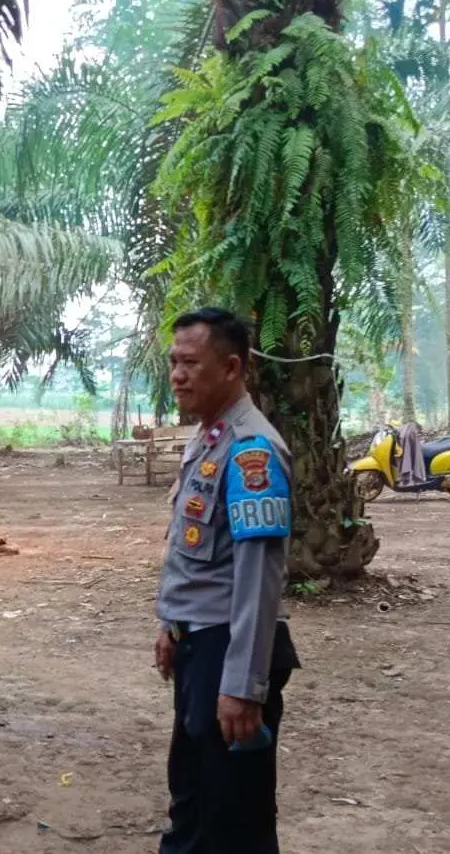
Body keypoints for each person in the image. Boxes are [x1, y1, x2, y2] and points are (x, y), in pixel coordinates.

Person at [153, 307, 300, 854]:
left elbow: (258, 580)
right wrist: (172, 623)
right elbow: (196, 555)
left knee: (232, 818)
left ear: (233, 367)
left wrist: (242, 685)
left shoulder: (250, 450)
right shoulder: (208, 437)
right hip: (200, 644)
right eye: (174, 362)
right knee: (192, 802)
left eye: (191, 363)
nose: (177, 375)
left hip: (229, 652)